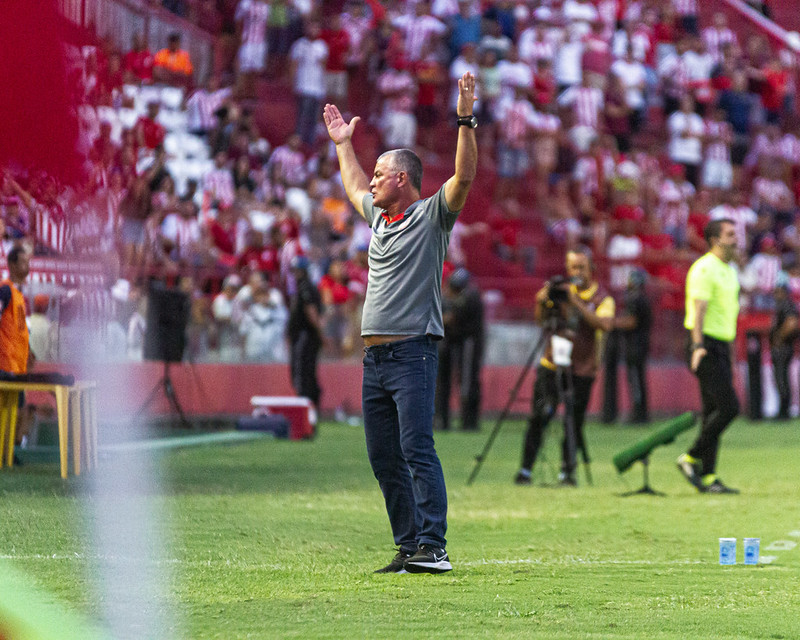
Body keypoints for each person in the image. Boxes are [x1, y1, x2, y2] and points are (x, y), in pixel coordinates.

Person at [322, 70, 478, 574]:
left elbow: (465, 176)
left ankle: (435, 547)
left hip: (413, 351)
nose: (371, 180)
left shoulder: (433, 214)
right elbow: (349, 185)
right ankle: (409, 544)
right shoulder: (378, 217)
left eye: (379, 173)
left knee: (417, 448)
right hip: (376, 358)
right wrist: (343, 144)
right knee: (384, 457)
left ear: (403, 179)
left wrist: (465, 119)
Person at [515, 246, 615, 487]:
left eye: (581, 267)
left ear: (592, 268)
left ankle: (567, 471)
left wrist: (575, 302)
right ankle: (525, 469)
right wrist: (542, 301)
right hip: (552, 363)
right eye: (572, 267)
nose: (577, 272)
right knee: (539, 415)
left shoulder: (602, 297)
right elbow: (542, 321)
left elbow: (604, 324)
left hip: (583, 367)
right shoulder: (559, 292)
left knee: (574, 421)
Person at [677, 218, 741, 494]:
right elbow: (698, 310)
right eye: (730, 234)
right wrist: (697, 346)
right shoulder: (704, 268)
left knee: (712, 412)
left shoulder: (728, 270)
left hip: (721, 345)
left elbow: (728, 314)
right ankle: (690, 457)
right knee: (729, 408)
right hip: (705, 345)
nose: (735, 238)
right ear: (715, 239)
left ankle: (708, 475)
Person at [435, 268, 484, 432]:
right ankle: (442, 419)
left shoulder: (470, 297)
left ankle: (468, 421)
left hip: (468, 340)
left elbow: (451, 317)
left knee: (467, 381)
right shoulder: (446, 297)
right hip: (449, 340)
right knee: (442, 381)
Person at [603, 270, 652, 424]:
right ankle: (640, 413)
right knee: (638, 378)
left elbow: (631, 321)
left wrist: (614, 323)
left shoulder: (635, 299)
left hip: (635, 345)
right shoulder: (644, 299)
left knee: (635, 379)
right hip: (640, 344)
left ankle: (638, 414)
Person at [286, 255, 323, 409]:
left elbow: (311, 312)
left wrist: (321, 334)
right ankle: (310, 408)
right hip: (305, 337)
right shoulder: (306, 287)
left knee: (302, 373)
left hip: (305, 336)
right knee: (307, 372)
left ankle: (306, 408)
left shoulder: (305, 287)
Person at [769, 282, 798, 419]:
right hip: (785, 346)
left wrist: (779, 337)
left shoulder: (786, 305)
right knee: (781, 378)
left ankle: (783, 411)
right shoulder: (784, 305)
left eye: (778, 292)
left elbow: (792, 323)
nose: (776, 295)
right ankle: (783, 409)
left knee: (781, 378)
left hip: (783, 347)